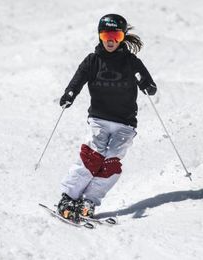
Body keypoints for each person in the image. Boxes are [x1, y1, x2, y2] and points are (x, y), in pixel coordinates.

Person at [57, 14, 157, 221]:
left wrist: (147, 85)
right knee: (92, 157)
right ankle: (69, 197)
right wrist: (70, 94)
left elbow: (148, 83)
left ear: (122, 38)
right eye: (106, 35)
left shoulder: (131, 61)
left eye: (116, 35)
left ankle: (89, 200)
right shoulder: (92, 60)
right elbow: (77, 80)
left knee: (111, 163)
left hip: (125, 123)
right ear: (100, 36)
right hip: (99, 119)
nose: (111, 40)